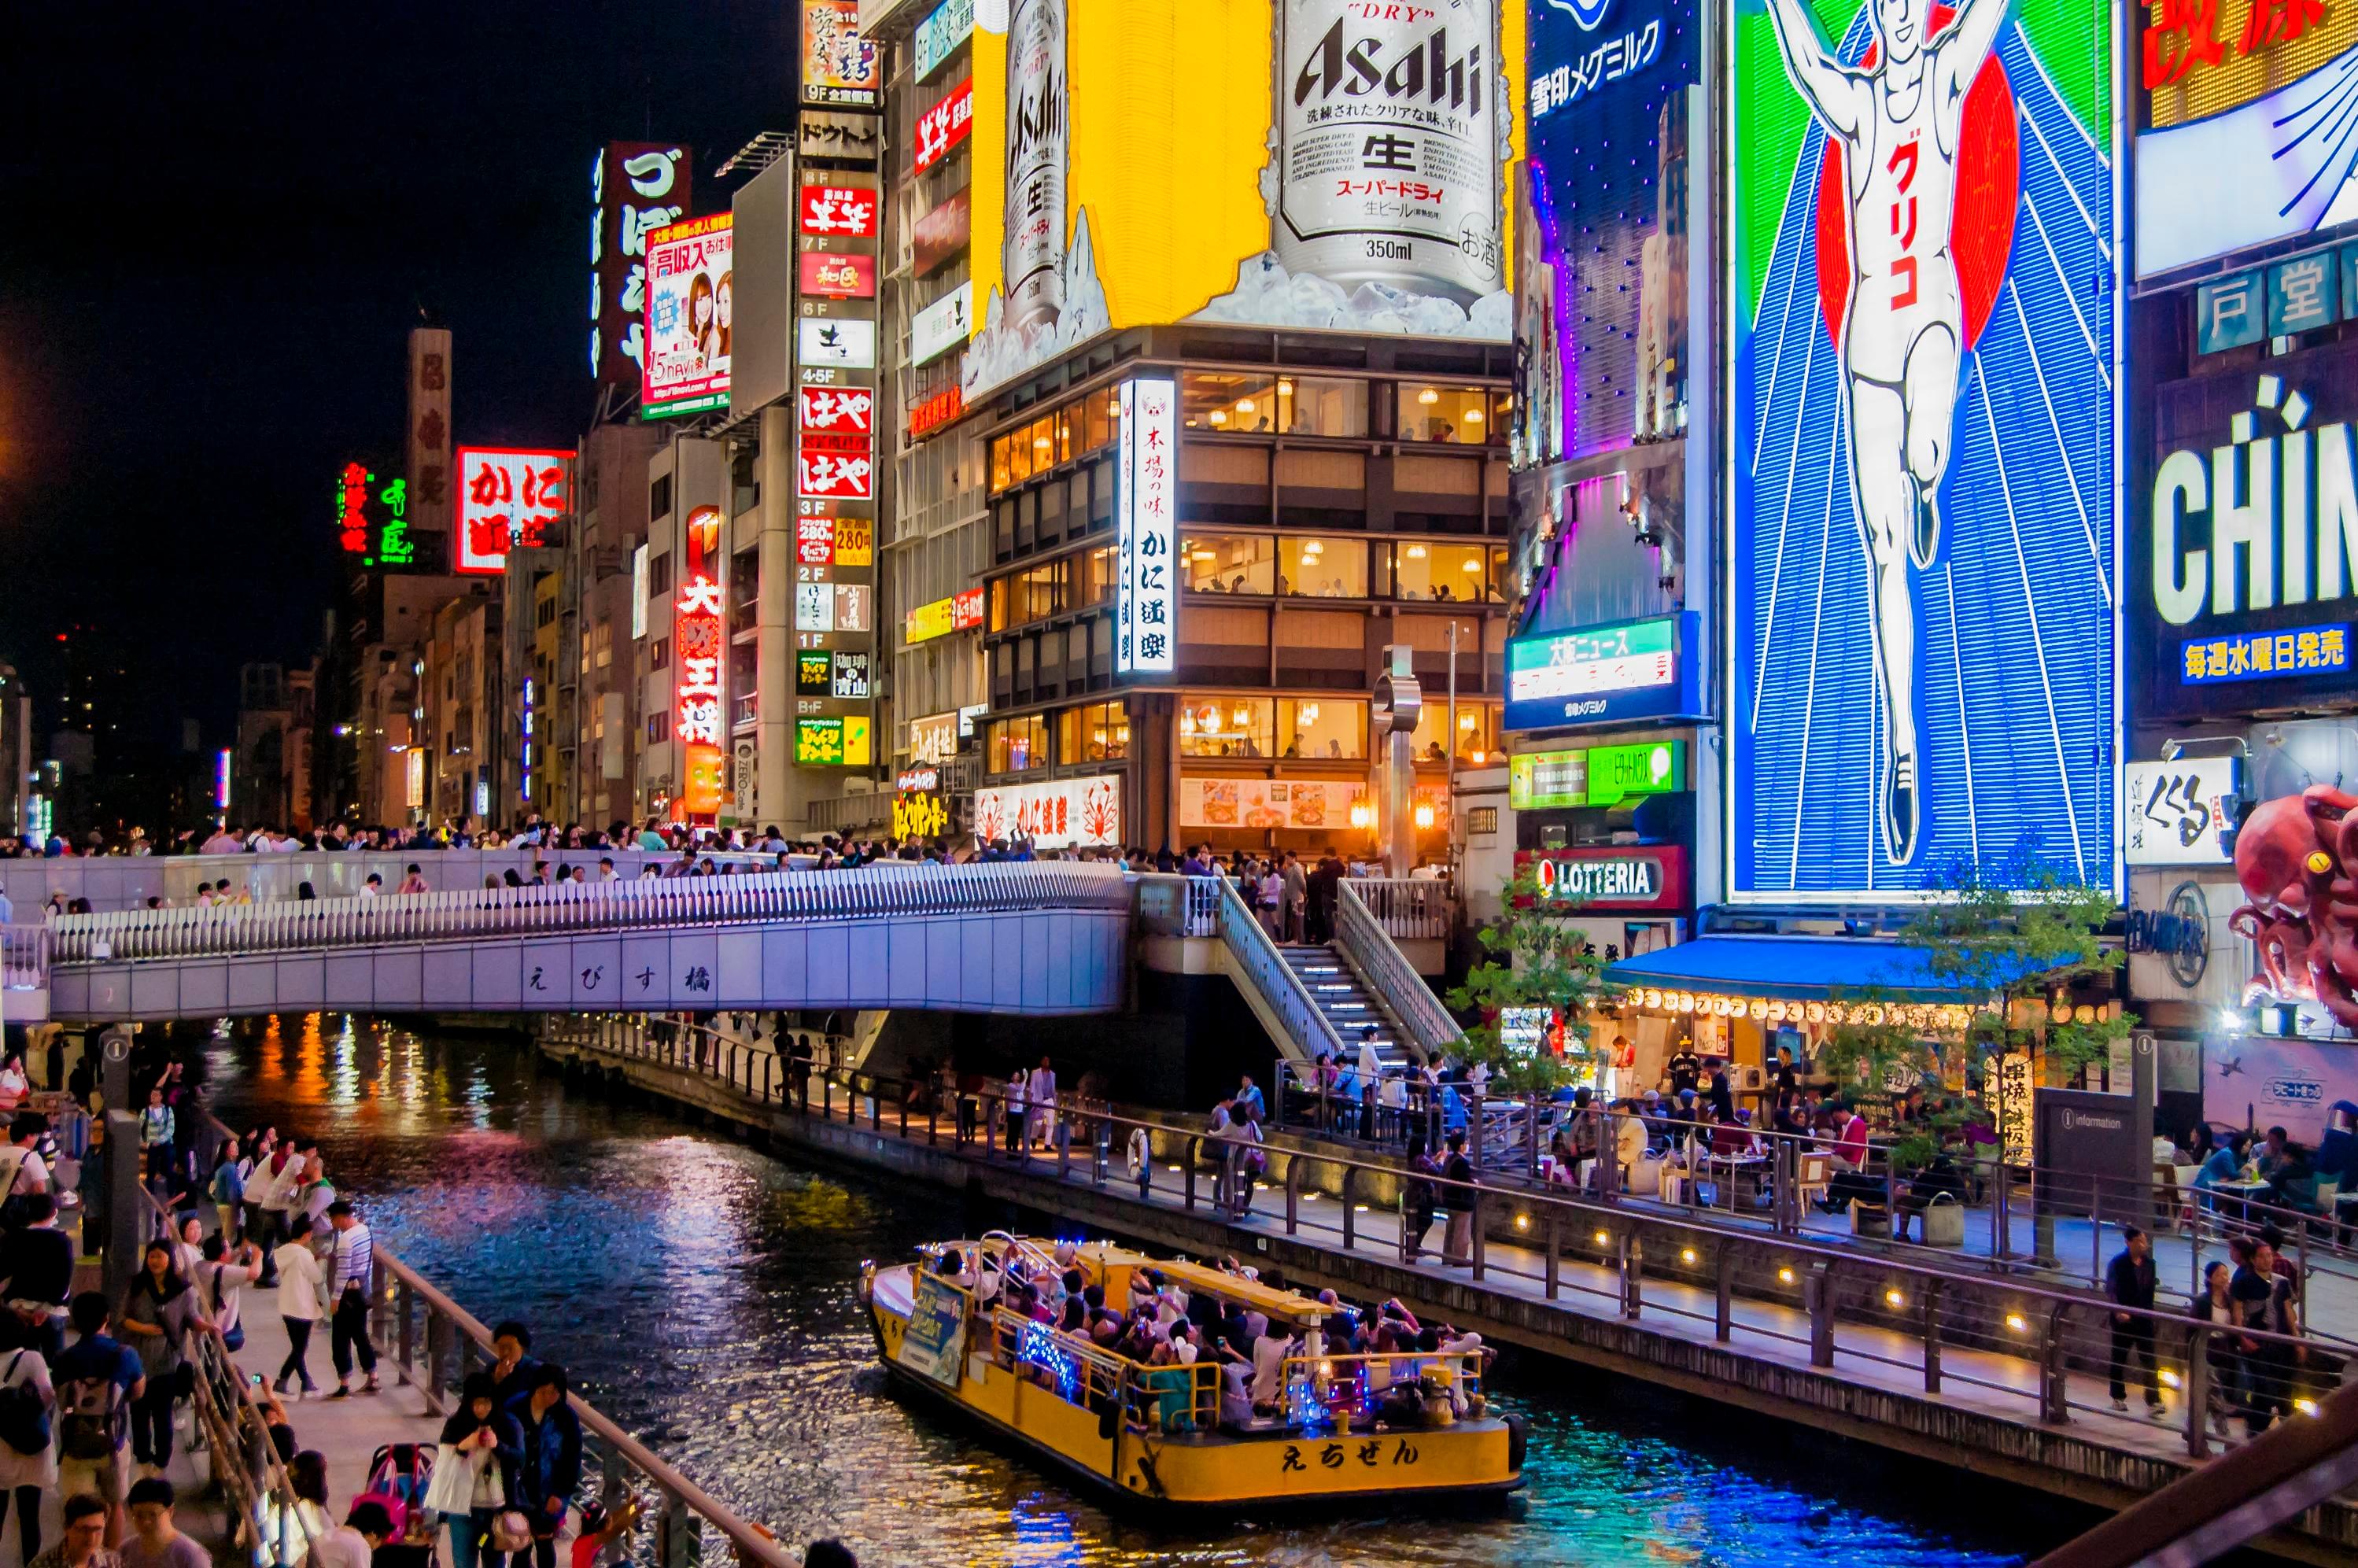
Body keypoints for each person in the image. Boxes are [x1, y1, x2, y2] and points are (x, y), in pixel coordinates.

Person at [1762, 0, 2009, 860]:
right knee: (1882, 546)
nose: (1902, 16)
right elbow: (1801, 63)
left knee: (1927, 441)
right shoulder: (1860, 105)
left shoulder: (1946, 78)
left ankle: (1932, 473)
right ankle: (1902, 750)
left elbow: (1988, 17)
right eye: (1887, 4)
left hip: (1932, 315)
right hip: (1866, 340)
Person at [55, 1293, 144, 1546]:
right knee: (115, 1505)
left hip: (75, 1445)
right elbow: (138, 1392)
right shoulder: (125, 1355)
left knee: (77, 1511)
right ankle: (110, 1559)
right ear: (107, 1318)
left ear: (75, 1319)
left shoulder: (64, 1358)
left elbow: (60, 1399)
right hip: (113, 1443)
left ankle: (82, 1560)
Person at [116, 1242, 205, 1472]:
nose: (154, 1261)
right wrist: (143, 1328)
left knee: (163, 1415)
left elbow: (192, 1317)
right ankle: (143, 1459)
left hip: (168, 1359)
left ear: (170, 1259)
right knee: (139, 1414)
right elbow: (122, 1317)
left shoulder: (183, 1289)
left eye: (160, 1257)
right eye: (151, 1257)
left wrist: (207, 1327)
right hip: (138, 1360)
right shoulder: (137, 1285)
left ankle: (161, 1462)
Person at [438, 1372, 524, 1568]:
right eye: (475, 1403)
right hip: (462, 1508)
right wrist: (462, 1447)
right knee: (463, 1563)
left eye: (486, 1403)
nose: (480, 1409)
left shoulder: (508, 1425)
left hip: (495, 1511)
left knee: (495, 1563)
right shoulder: (456, 1424)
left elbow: (520, 1460)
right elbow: (444, 1466)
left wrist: (498, 1446)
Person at [507, 1366, 582, 1568]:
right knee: (521, 1542)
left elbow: (572, 1459)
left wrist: (560, 1493)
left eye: (554, 1392)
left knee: (544, 1540)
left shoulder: (566, 1417)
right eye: (544, 1391)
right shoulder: (515, 1408)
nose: (549, 1397)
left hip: (551, 1489)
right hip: (519, 1488)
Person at [0, 1194, 75, 1361]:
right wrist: (46, 1309)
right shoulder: (62, 1241)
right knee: (55, 1363)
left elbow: (2, 1270)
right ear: (54, 1213)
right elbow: (64, 1281)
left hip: (20, 1310)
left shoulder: (15, 1238)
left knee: (24, 1361)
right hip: (52, 1312)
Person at [0, 1337, 54, 1564]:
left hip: (1, 1451)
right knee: (29, 1518)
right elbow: (48, 1397)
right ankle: (31, 1563)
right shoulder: (32, 1358)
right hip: (31, 1454)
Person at [323, 1201, 381, 1396]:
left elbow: (343, 1271)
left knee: (340, 1338)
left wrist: (335, 1298)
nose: (334, 1224)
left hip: (347, 1295)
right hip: (361, 1293)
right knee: (360, 1335)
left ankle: (344, 1383)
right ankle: (373, 1376)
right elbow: (369, 1266)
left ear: (340, 1217)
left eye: (333, 1219)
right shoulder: (365, 1231)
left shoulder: (346, 1240)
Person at [2105, 1226, 2164, 1416]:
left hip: (2144, 1318)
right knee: (2119, 1357)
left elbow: (2149, 1294)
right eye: (2139, 1241)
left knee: (2149, 1360)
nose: (2143, 1244)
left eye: (2144, 1240)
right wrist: (2118, 1311)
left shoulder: (2150, 1263)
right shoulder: (2118, 1263)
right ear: (2129, 1242)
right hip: (2123, 1319)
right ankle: (2118, 1396)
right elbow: (2111, 1289)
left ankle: (2154, 1400)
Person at [273, 1213, 325, 1396]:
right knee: (300, 1348)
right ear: (306, 1234)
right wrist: (318, 1262)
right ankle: (282, 1380)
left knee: (297, 1346)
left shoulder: (282, 1251)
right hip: (302, 1305)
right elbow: (317, 1277)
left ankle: (306, 1382)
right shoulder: (304, 1254)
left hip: (286, 1303)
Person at [120, 1478, 207, 1568]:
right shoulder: (125, 1551)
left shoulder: (191, 1555)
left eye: (152, 1515)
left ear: (170, 1511)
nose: (146, 1522)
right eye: (139, 1515)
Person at [29, 1492, 112, 1568]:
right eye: (84, 1530)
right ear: (67, 1528)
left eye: (98, 1530)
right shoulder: (41, 1565)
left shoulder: (113, 1563)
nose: (91, 1538)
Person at [1440, 1131, 1475, 1267]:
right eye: (1466, 1143)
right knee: (1462, 1231)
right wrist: (1475, 1183)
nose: (1467, 1145)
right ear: (1461, 1146)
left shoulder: (1450, 1158)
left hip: (1450, 1200)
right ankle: (1460, 1258)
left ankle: (1447, 1256)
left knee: (1451, 1229)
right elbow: (1465, 1180)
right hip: (1462, 1202)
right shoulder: (1462, 1162)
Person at [1403, 1134, 1439, 1262]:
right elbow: (1435, 1170)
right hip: (1422, 1195)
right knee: (1425, 1220)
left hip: (1414, 1194)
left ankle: (1414, 1245)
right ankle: (1414, 1246)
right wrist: (1440, 1162)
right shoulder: (1421, 1159)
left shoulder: (1413, 1158)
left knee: (1418, 1220)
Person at [489, 1323, 541, 1410]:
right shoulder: (492, 1368)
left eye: (510, 1347)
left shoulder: (536, 1371)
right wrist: (497, 1379)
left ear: (522, 1347)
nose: (505, 1352)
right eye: (501, 1347)